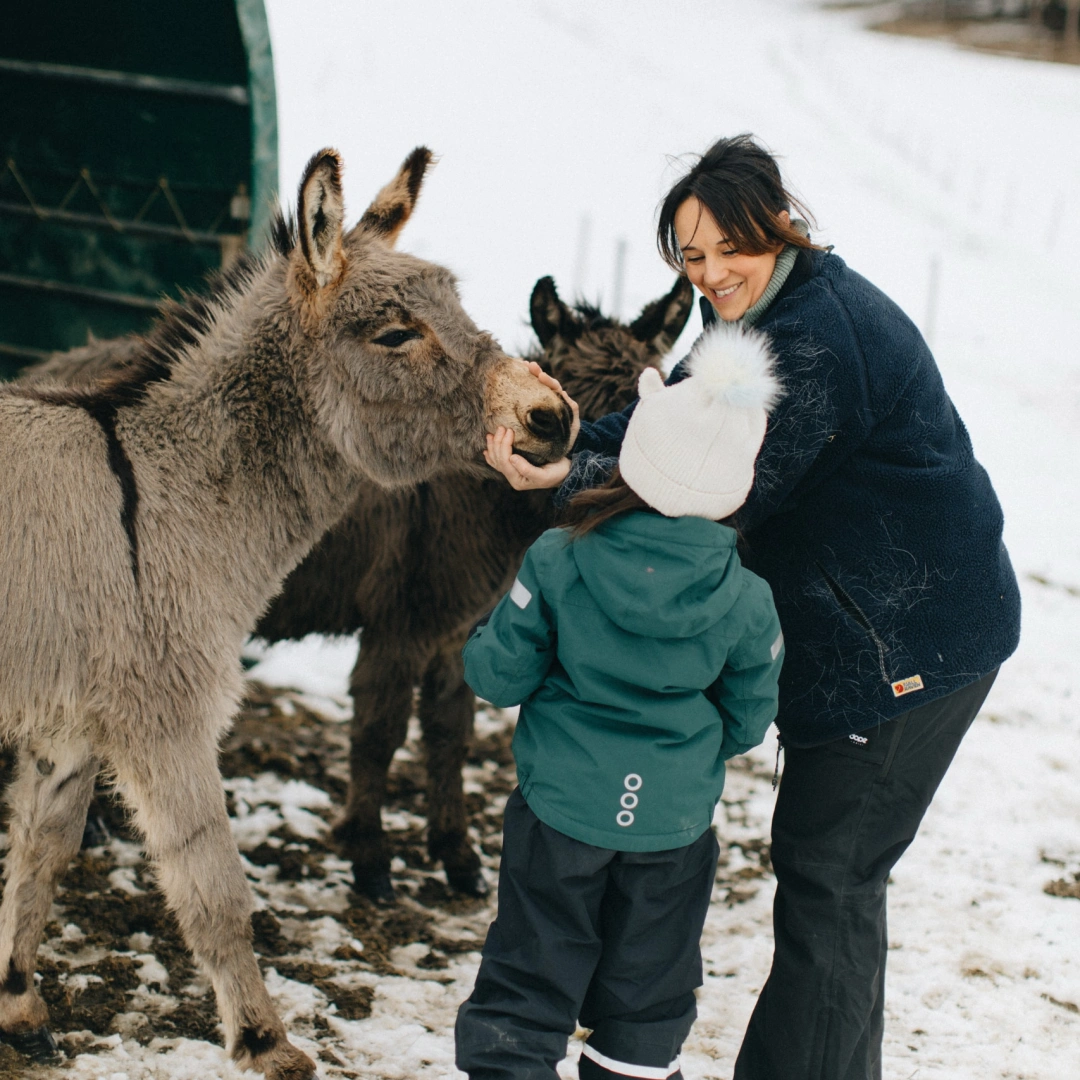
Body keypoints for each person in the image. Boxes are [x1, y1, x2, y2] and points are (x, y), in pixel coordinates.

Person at [484, 134, 1021, 1080]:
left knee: (830, 880)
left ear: (779, 223)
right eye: (690, 258)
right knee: (832, 883)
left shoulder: (816, 338)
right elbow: (671, 423)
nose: (712, 274)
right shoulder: (748, 318)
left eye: (730, 247)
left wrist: (571, 483)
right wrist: (568, 437)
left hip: (910, 637)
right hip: (862, 619)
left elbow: (716, 484)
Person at [455, 323, 787, 1080]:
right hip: (672, 824)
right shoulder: (748, 600)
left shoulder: (558, 558)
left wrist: (497, 638)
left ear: (636, 455)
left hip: (561, 810)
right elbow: (748, 718)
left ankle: (513, 1061)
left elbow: (497, 676)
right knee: (648, 992)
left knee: (531, 973)